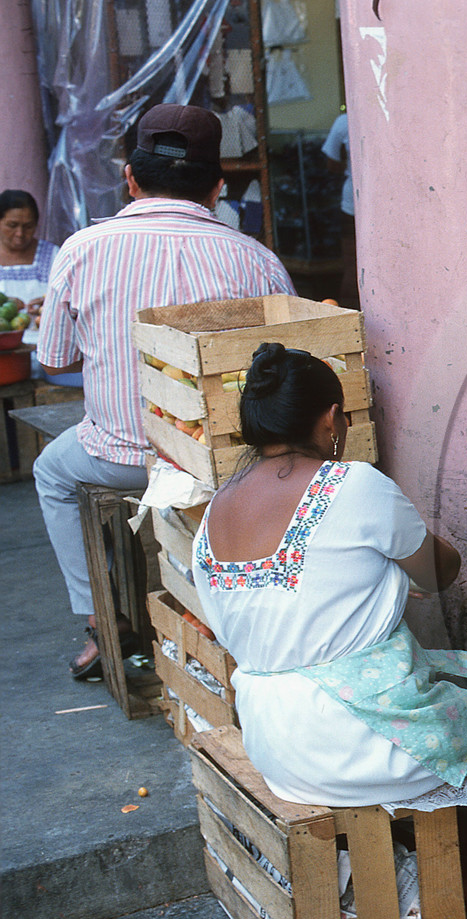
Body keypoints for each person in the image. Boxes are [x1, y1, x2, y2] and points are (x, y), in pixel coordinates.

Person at [192, 343, 467, 919]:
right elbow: (438, 574)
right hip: (349, 741)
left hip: (273, 738)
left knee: (461, 682)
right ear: (329, 420)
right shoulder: (350, 485)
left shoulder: (216, 509)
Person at [34, 104, 296, 679]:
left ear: (130, 177)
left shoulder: (80, 250)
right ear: (219, 184)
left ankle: (104, 625)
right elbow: (289, 376)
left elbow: (53, 360)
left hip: (122, 459)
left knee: (52, 474)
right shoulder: (256, 260)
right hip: (226, 465)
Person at [0, 189, 70, 381]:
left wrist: (49, 306)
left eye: (28, 226)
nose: (20, 234)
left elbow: (72, 301)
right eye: (12, 225)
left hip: (46, 354)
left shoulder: (54, 255)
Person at [321, 112, 360, 309]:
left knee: (352, 264)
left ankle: (352, 318)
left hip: (352, 200)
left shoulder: (344, 121)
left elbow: (332, 163)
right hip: (367, 200)